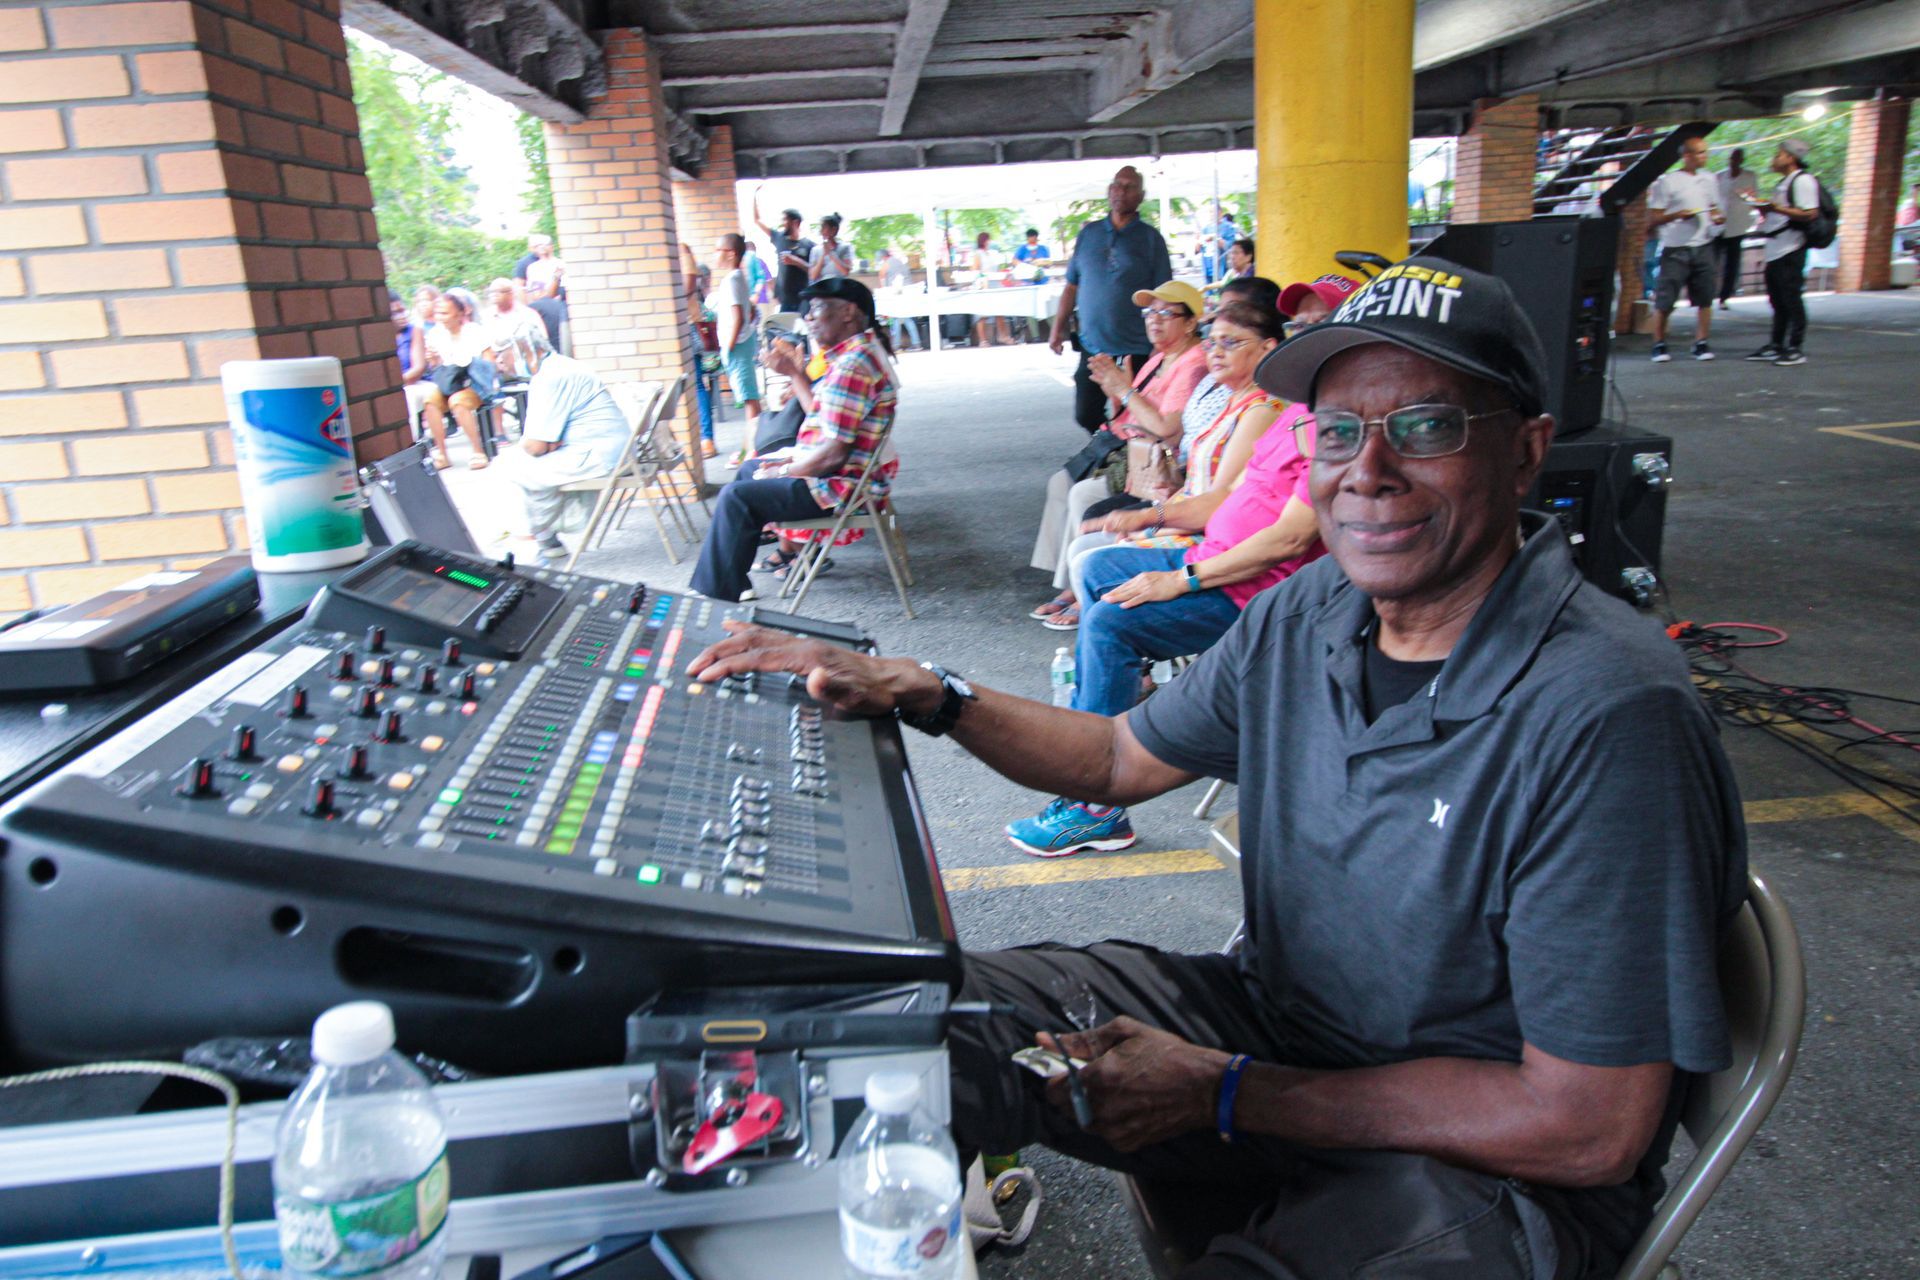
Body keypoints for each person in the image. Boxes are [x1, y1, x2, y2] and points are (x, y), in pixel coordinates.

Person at [687, 255, 1747, 1279]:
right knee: (902, 1023)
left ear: (1526, 452)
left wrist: (1228, 1091)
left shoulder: (1609, 715)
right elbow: (1118, 755)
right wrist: (929, 690)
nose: (1368, 472)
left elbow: (1584, 1126)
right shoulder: (1313, 609)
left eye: (1426, 427)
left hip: (1490, 1168)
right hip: (1282, 1029)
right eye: (1338, 431)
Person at [1005, 318, 1324, 857]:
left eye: (1319, 327)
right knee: (1098, 568)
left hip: (1260, 593)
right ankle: (1105, 714)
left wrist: (1179, 580)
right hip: (1215, 557)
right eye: (1301, 324)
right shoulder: (1293, 412)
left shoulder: (1331, 426)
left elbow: (1290, 539)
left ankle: (1096, 804)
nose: (1304, 337)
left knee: (1111, 621)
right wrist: (1146, 516)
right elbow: (1224, 501)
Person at [689, 277, 897, 602]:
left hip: (840, 486)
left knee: (736, 497)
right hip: (842, 476)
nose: (808, 318)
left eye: (817, 309)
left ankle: (717, 597)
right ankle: (732, 582)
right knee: (749, 471)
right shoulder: (855, 356)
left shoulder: (853, 366)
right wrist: (794, 374)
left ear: (848, 312)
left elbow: (834, 456)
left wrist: (786, 469)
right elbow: (825, 419)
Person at [1028, 280, 1212, 626]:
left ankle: (1080, 589)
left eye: (1166, 313)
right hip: (1127, 452)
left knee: (1083, 494)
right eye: (1150, 312)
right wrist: (1117, 394)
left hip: (1154, 466)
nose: (1154, 320)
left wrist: (1123, 390)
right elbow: (1128, 412)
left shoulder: (1193, 364)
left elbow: (1167, 428)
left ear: (1191, 323)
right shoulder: (1159, 358)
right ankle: (1070, 582)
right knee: (1061, 483)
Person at [1049, 166, 1174, 434]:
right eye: (1117, 185)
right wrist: (1057, 328)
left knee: (1137, 414)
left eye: (1129, 187)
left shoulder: (1151, 239)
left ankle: (1125, 451)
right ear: (1109, 190)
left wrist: (1161, 345)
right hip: (1094, 346)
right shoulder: (1089, 234)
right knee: (1085, 413)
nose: (1121, 191)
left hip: (1136, 348)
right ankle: (1112, 446)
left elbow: (1164, 296)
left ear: (1141, 196)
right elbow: (1071, 285)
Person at [491, 354, 634, 562]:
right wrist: (547, 442)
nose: (499, 363)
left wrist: (545, 442)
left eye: (502, 355)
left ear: (522, 349)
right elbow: (542, 443)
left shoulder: (550, 376)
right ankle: (545, 538)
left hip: (598, 456)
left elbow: (534, 446)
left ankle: (527, 546)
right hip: (615, 452)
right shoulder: (563, 365)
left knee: (505, 467)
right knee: (519, 463)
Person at [1646, 136, 1724, 363]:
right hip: (1676, 247)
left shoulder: (1709, 179)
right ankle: (1659, 343)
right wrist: (1677, 215)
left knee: (1705, 297)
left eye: (1705, 152)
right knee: (1666, 299)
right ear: (1687, 156)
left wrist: (1717, 217)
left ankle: (1701, 342)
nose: (1705, 156)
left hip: (1703, 244)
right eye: (1700, 152)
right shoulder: (1668, 182)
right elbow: (1655, 217)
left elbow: (1713, 207)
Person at [1745, 138, 1822, 367]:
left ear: (1790, 157)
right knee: (1778, 300)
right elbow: (1779, 214)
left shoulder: (1803, 181)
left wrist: (1775, 207)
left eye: (1778, 155)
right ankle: (1776, 344)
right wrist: (1761, 206)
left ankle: (1795, 347)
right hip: (1776, 249)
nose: (1774, 159)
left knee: (1791, 299)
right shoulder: (1785, 183)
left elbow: (1810, 213)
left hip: (1790, 248)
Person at [420, 287, 496, 470]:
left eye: (445, 313)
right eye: (438, 313)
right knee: (430, 401)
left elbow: (489, 361)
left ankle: (478, 451)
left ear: (460, 314)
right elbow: (436, 367)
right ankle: (442, 454)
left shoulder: (474, 331)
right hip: (450, 383)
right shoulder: (435, 334)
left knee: (457, 401)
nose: (441, 317)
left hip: (473, 383)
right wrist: (433, 360)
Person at [708, 233, 763, 443]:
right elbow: (749, 311)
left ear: (731, 254)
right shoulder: (739, 277)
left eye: (718, 250)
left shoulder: (731, 280)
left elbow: (739, 317)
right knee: (750, 396)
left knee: (749, 398)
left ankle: (752, 445)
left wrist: (728, 348)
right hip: (742, 343)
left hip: (737, 346)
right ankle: (755, 442)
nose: (715, 255)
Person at [753, 189, 814, 313]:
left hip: (803, 299)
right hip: (784, 300)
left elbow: (814, 271)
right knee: (784, 324)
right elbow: (757, 220)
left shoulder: (809, 245)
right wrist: (754, 196)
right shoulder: (779, 238)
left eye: (785, 220)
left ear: (796, 222)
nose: (782, 223)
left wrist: (796, 261)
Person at [1716, 148, 1760, 307]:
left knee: (1732, 263)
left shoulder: (1750, 176)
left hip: (1737, 224)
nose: (1733, 162)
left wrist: (1747, 199)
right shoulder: (1719, 176)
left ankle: (1724, 296)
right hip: (1718, 224)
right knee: (1712, 261)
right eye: (1731, 158)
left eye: (1736, 159)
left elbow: (1753, 199)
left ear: (1741, 161)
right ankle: (1708, 294)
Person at [483, 277, 551, 381]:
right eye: (491, 292)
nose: (494, 295)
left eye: (498, 291)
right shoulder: (485, 317)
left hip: (526, 369)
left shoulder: (528, 314)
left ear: (511, 293)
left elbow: (542, 342)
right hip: (496, 372)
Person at [390, 290, 431, 439]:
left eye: (402, 310)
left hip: (417, 383)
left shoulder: (414, 331)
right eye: (395, 313)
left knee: (407, 397)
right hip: (396, 386)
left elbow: (418, 369)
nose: (402, 315)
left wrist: (392, 385)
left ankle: (411, 441)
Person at [519, 235, 568, 350]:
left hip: (560, 308)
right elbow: (535, 295)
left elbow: (561, 292)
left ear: (552, 246)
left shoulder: (561, 264)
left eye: (545, 244)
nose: (542, 247)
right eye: (538, 245)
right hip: (542, 309)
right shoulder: (533, 268)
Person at [970, 232, 1014, 347]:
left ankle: (1003, 336)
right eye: (988, 240)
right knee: (982, 314)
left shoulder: (991, 253)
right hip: (984, 286)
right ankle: (983, 340)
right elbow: (975, 270)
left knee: (999, 312)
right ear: (984, 241)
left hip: (995, 284)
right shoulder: (978, 254)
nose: (990, 242)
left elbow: (997, 269)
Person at [877, 248, 922, 351]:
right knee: (903, 318)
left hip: (898, 294)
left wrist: (883, 289)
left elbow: (881, 275)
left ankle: (900, 345)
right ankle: (907, 344)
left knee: (899, 318)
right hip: (907, 293)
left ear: (883, 257)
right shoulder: (899, 261)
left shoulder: (887, 263)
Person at [808, 214, 854, 282]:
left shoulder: (845, 247)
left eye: (824, 227)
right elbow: (813, 276)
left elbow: (846, 272)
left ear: (834, 230)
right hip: (822, 285)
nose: (821, 231)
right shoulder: (815, 250)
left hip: (840, 285)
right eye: (821, 228)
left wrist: (830, 254)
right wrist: (823, 255)